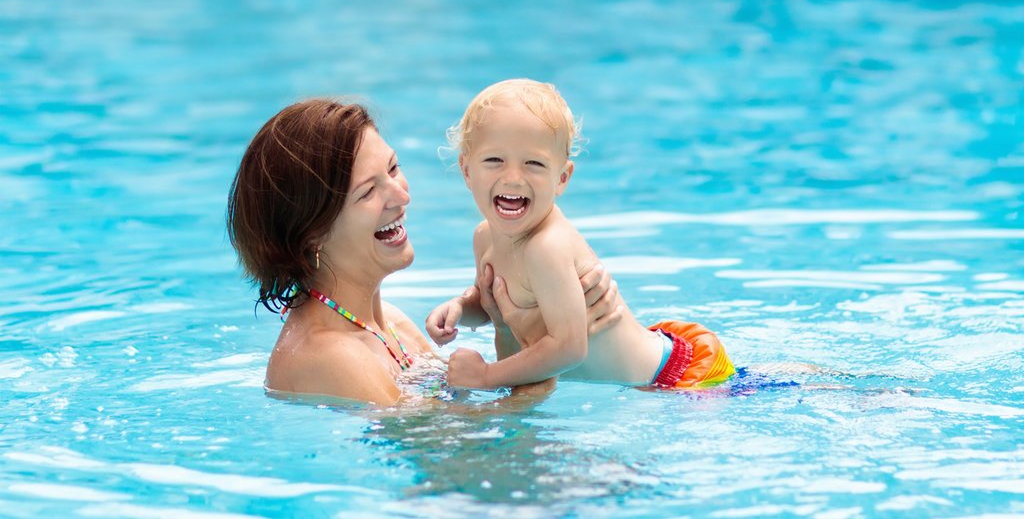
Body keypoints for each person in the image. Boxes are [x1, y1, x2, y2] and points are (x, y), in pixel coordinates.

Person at [226, 98, 623, 406]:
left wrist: (526, 316)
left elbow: (463, 415)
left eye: (394, 168)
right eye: (368, 192)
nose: (401, 195)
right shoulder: (328, 357)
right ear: (311, 235)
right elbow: (454, 457)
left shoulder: (390, 324)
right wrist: (548, 359)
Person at [426, 79, 737, 390]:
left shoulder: (546, 247)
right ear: (466, 171)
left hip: (676, 378)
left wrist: (487, 377)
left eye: (533, 163)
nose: (513, 177)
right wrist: (460, 309)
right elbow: (497, 301)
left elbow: (570, 348)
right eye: (494, 160)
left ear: (562, 178)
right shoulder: (484, 237)